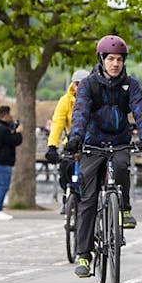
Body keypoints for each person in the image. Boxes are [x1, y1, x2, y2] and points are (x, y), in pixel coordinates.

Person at [65, 35, 142, 278]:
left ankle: (124, 209)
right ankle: (84, 255)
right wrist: (75, 138)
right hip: (92, 143)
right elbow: (81, 112)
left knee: (122, 165)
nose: (115, 64)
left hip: (119, 141)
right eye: (110, 59)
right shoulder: (88, 85)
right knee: (88, 196)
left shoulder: (131, 85)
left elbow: (140, 111)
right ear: (101, 60)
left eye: (119, 59)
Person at [45, 69, 91, 213]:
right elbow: (57, 123)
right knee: (65, 167)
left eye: (84, 84)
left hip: (91, 141)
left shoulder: (94, 99)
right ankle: (67, 195)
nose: (80, 87)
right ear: (73, 85)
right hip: (71, 141)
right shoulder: (65, 100)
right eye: (77, 84)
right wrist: (52, 145)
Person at [0, 106, 22, 220]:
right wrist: (18, 133)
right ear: (5, 115)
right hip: (4, 161)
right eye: (9, 115)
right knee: (3, 186)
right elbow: (14, 141)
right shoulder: (3, 129)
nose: (11, 117)